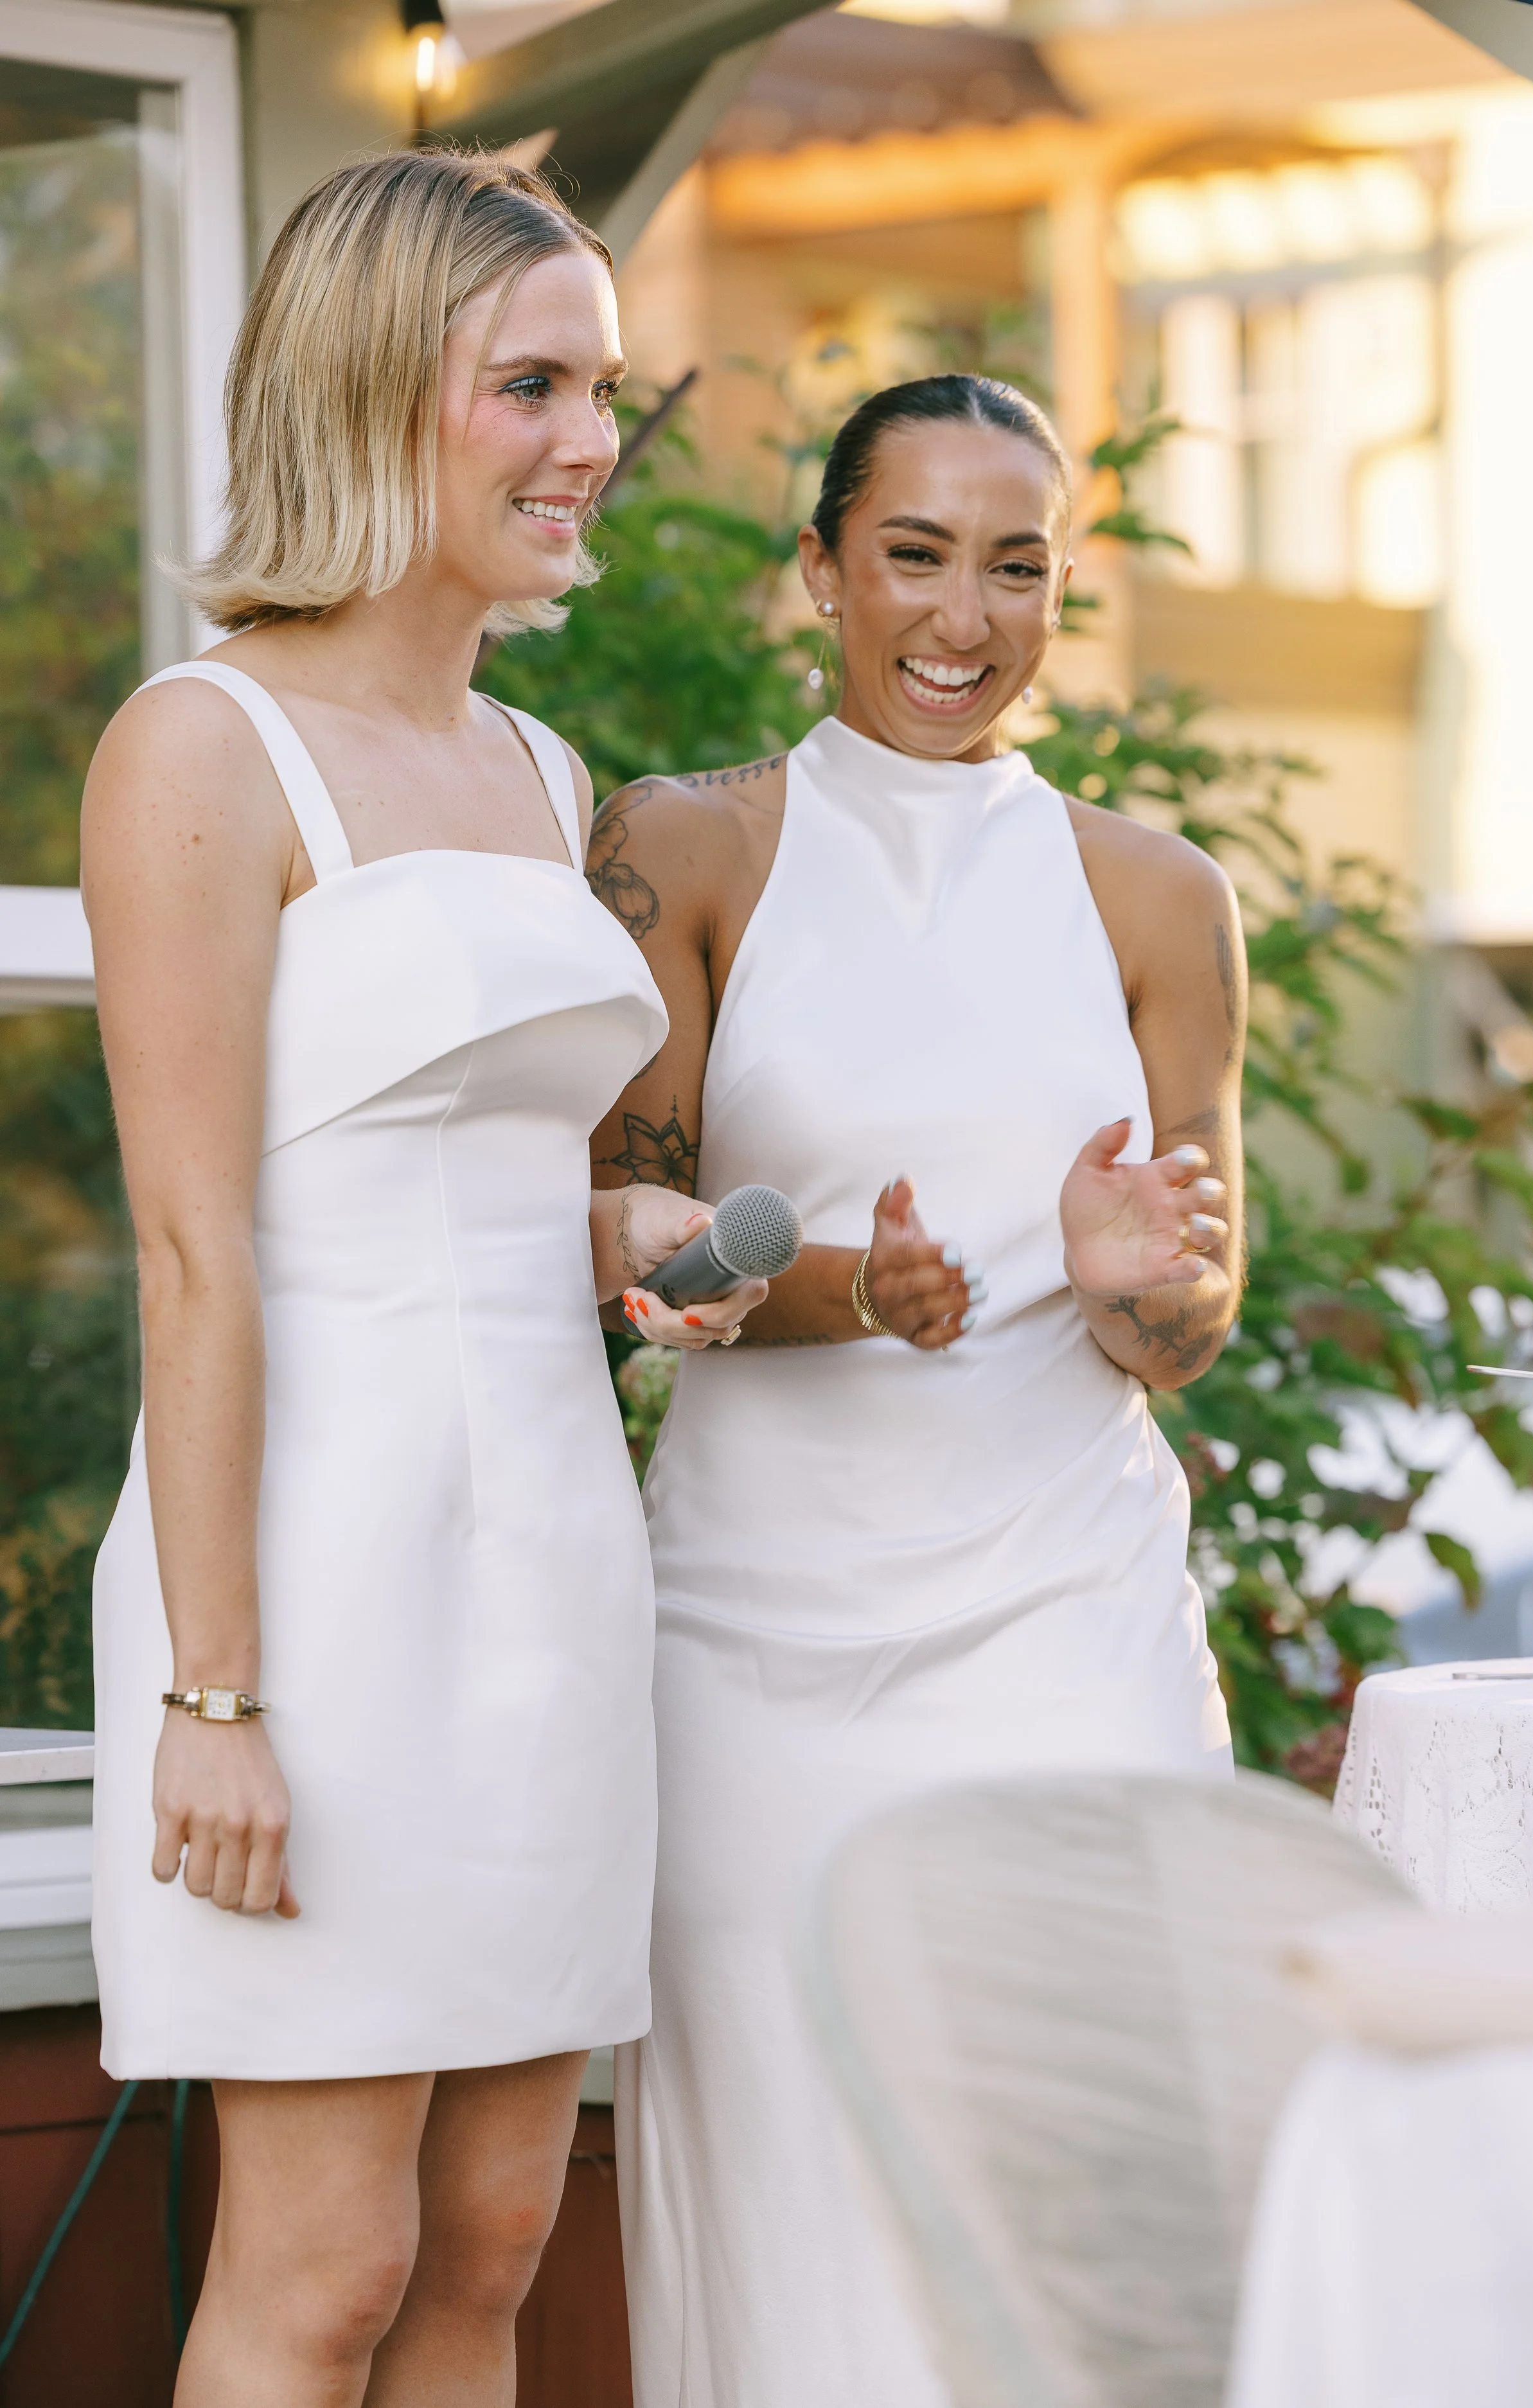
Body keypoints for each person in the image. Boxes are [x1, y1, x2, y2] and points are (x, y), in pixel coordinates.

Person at [83, 153, 759, 2408]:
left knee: (485, 2236)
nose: (593, 441)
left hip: (544, 1563)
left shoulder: (537, 762)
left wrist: (624, 1232)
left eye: (604, 388)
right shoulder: (206, 744)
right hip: (304, 1577)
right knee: (327, 2267)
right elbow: (200, 1239)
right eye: (533, 385)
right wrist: (215, 1691)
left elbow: (456, 1169)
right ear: (376, 391)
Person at [589, 373, 1242, 2408]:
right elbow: (625, 1264)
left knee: (1086, 2184)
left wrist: (1143, 1285)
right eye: (913, 554)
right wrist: (835, 1288)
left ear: (1062, 587)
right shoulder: (680, 851)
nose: (962, 618)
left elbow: (1187, 1318)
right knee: (796, 2198)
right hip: (756, 1647)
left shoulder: (1157, 895)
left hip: (1074, 1621)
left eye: (1016, 564)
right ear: (819, 569)